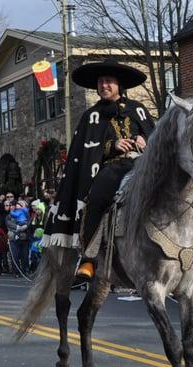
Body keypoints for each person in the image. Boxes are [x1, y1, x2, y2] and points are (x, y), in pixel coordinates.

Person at [42, 59, 155, 280]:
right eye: (101, 82)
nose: (104, 85)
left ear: (119, 85)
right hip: (112, 168)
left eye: (109, 81)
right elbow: (84, 152)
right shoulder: (91, 116)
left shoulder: (139, 110)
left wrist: (144, 139)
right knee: (95, 199)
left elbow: (155, 136)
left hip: (144, 163)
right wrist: (112, 147)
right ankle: (89, 257)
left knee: (180, 188)